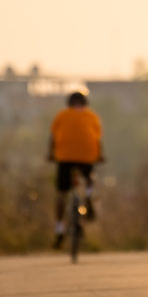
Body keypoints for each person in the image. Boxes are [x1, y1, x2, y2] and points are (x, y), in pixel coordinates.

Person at [48, 89, 103, 249]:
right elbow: (97, 139)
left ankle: (59, 229)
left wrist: (51, 155)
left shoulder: (61, 115)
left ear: (69, 104)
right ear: (85, 104)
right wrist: (100, 156)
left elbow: (53, 137)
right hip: (87, 156)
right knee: (89, 176)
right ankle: (89, 194)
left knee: (61, 193)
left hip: (64, 157)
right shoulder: (92, 116)